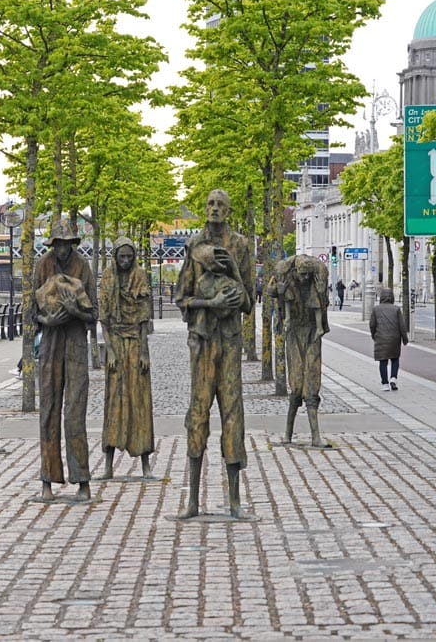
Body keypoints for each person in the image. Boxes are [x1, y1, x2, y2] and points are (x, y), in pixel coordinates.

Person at [173, 188, 253, 519]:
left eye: (221, 204)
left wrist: (233, 272)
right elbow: (182, 298)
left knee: (233, 413)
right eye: (210, 204)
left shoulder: (241, 245)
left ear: (228, 210)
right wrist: (211, 304)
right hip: (202, 340)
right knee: (198, 411)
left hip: (231, 340)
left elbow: (249, 302)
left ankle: (234, 500)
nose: (214, 208)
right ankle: (192, 501)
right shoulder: (194, 246)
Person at [31, 220, 97, 502]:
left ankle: (82, 481)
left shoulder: (83, 266)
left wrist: (75, 311)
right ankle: (47, 480)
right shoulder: (41, 265)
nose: (61, 249)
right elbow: (31, 311)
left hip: (75, 341)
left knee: (74, 412)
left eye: (65, 244)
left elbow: (94, 314)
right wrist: (47, 319)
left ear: (72, 244)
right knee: (48, 410)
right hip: (50, 342)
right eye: (57, 244)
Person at [98, 237, 154, 480]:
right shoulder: (108, 277)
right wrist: (109, 350)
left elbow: (143, 317)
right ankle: (108, 463)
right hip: (116, 345)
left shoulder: (139, 275)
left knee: (139, 401)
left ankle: (145, 463)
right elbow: (104, 318)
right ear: (114, 257)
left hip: (135, 343)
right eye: (121, 257)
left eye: (129, 257)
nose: (125, 261)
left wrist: (143, 351)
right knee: (114, 402)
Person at [268, 255, 329, 447]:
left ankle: (315, 435)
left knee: (312, 380)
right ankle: (288, 433)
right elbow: (270, 290)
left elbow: (322, 305)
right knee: (295, 383)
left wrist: (321, 293)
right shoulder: (284, 273)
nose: (304, 279)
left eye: (307, 275)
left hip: (312, 332)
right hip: (294, 331)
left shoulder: (317, 278)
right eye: (302, 275)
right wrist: (278, 291)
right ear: (295, 272)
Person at [369, 287, 409, 392]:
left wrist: (374, 335)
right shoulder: (396, 309)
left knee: (383, 361)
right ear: (392, 297)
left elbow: (372, 325)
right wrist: (405, 338)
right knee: (395, 359)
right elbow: (402, 326)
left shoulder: (376, 309)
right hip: (394, 339)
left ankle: (385, 384)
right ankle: (393, 378)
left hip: (381, 338)